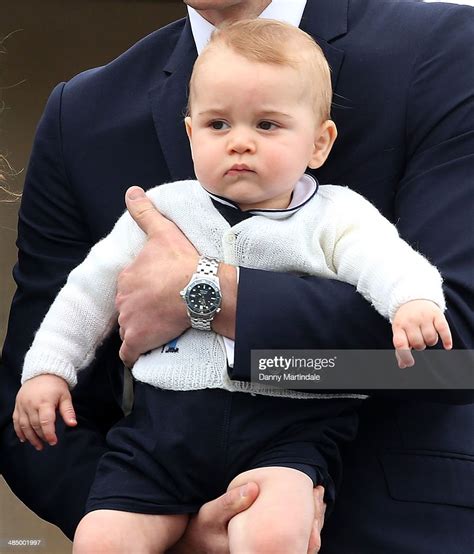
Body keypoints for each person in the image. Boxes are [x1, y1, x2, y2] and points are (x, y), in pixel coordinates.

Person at [1, 1, 473, 553]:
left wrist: (208, 295)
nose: (240, 142)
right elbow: (34, 397)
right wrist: (161, 531)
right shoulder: (81, 114)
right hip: (153, 477)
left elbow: (449, 356)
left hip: (387, 525)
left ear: (321, 141)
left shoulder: (446, 48)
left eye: (268, 124)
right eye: (217, 124)